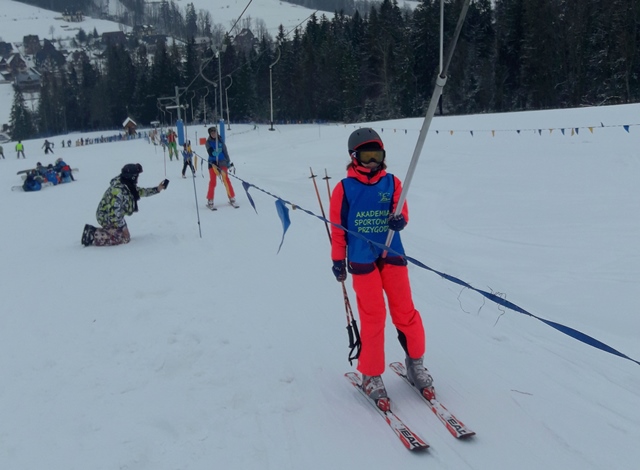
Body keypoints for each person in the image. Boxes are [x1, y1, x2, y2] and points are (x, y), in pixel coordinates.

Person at [329, 128, 432, 411]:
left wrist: (400, 219)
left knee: (405, 312)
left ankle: (415, 363)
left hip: (392, 253)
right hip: (362, 259)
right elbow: (337, 229)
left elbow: (401, 209)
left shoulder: (392, 182)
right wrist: (338, 259)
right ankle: (371, 373)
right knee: (373, 316)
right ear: (354, 157)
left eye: (377, 155)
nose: (373, 162)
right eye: (367, 156)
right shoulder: (344, 188)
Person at [81, 163, 167, 247]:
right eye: (137, 176)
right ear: (132, 177)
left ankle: (105, 231)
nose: (138, 178)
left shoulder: (127, 185)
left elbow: (140, 192)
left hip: (114, 214)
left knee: (123, 234)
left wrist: (157, 189)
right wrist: (124, 228)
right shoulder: (118, 191)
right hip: (106, 216)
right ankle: (92, 234)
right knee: (123, 238)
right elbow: (115, 214)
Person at [205, 126, 235, 209]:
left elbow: (225, 152)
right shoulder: (208, 142)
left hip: (222, 162)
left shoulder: (220, 141)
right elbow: (211, 153)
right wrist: (216, 152)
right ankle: (210, 199)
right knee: (213, 181)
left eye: (215, 132)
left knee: (226, 179)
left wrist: (228, 162)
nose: (214, 134)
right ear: (210, 134)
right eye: (212, 133)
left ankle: (231, 196)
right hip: (213, 163)